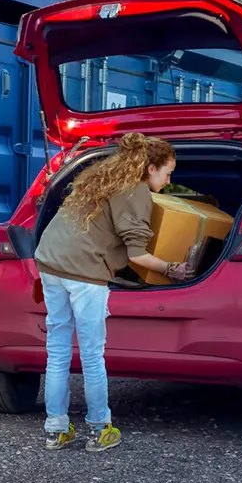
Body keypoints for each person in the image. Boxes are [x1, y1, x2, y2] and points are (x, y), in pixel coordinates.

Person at [32, 133, 194, 453]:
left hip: (50, 264)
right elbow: (136, 254)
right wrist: (172, 269)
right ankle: (99, 429)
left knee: (58, 351)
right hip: (84, 273)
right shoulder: (136, 192)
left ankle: (56, 430)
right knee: (92, 355)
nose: (169, 179)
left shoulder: (99, 179)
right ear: (150, 168)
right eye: (168, 172)